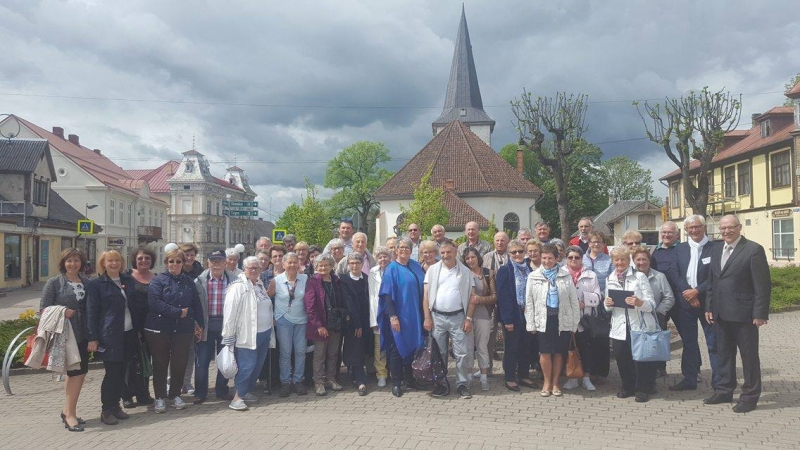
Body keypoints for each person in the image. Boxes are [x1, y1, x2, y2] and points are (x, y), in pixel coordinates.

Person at [704, 215, 770, 413]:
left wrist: (760, 313)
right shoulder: (716, 249)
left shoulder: (753, 250)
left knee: (749, 358)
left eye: (731, 228)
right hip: (720, 313)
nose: (726, 231)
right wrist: (709, 306)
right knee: (724, 355)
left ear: (739, 228)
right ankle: (724, 390)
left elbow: (762, 285)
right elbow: (712, 281)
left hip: (745, 315)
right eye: (723, 228)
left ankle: (750, 397)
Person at [145, 247, 204, 414]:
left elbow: (195, 304)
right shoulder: (158, 280)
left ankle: (175, 395)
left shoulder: (188, 281)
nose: (175, 264)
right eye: (171, 261)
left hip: (183, 329)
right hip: (160, 328)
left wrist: (199, 322)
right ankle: (159, 397)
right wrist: (177, 312)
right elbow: (154, 302)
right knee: (160, 363)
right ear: (166, 263)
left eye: (178, 261)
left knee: (180, 363)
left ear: (183, 263)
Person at [41, 248, 91, 432]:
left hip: (84, 334)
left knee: (81, 373)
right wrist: (63, 311)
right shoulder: (54, 283)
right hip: (66, 335)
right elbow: (44, 309)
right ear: (63, 263)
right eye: (69, 260)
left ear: (82, 263)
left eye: (76, 260)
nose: (73, 264)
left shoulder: (87, 282)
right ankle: (70, 415)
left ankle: (67, 411)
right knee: (74, 373)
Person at [86, 250, 137, 425]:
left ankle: (116, 406)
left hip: (128, 333)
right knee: (112, 373)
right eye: (110, 261)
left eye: (117, 260)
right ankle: (106, 410)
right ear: (103, 264)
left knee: (122, 372)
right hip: (110, 336)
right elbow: (91, 313)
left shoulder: (127, 281)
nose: (114, 264)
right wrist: (92, 338)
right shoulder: (96, 285)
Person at [671, 215, 719, 392]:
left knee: (713, 343)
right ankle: (689, 379)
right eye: (690, 228)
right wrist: (689, 294)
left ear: (704, 227)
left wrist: (697, 291)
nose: (694, 230)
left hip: (708, 304)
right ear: (686, 230)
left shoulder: (715, 248)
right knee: (689, 343)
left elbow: (716, 275)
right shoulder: (680, 249)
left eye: (697, 227)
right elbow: (674, 272)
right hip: (686, 303)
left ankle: (719, 382)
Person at [422, 240, 476, 399]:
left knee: (462, 353)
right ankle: (441, 384)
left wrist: (468, 318)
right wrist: (427, 317)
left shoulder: (465, 271)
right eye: (443, 252)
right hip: (437, 317)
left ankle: (462, 384)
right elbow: (425, 296)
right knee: (439, 353)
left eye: (449, 252)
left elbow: (472, 297)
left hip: (458, 317)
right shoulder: (432, 270)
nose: (445, 255)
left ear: (455, 252)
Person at [603, 246, 657, 403]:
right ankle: (627, 386)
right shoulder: (609, 278)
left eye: (623, 259)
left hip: (638, 324)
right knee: (622, 357)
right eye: (616, 260)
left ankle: (642, 389)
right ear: (613, 261)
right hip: (620, 326)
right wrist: (607, 303)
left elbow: (651, 304)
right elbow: (607, 307)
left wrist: (639, 302)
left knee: (640, 359)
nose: (620, 262)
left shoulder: (639, 277)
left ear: (629, 261)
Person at [525, 244, 580, 397]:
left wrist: (574, 323)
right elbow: (529, 301)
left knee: (558, 352)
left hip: (562, 319)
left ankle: (556, 382)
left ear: (557, 258)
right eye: (544, 258)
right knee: (545, 352)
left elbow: (573, 300)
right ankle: (547, 382)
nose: (547, 261)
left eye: (550, 258)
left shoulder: (565, 275)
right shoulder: (533, 276)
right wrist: (531, 323)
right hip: (543, 319)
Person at [221, 256, 273, 411]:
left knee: (257, 365)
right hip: (247, 334)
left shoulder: (259, 284)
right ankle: (237, 398)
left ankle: (245, 391)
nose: (255, 270)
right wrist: (228, 336)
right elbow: (230, 313)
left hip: (264, 333)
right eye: (251, 268)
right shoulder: (237, 287)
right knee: (247, 365)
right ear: (244, 269)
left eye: (257, 268)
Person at [377, 237, 426, 397]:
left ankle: (410, 380)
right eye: (401, 247)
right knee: (397, 349)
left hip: (415, 315)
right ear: (396, 250)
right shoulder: (392, 268)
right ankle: (396, 383)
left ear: (411, 251)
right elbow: (387, 296)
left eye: (407, 247)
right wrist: (393, 317)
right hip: (399, 315)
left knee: (413, 348)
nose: (404, 250)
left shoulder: (416, 266)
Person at [192, 249, 235, 405]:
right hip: (206, 325)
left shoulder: (234, 280)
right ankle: (200, 393)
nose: (216, 264)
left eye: (219, 261)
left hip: (226, 325)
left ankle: (222, 390)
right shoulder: (199, 281)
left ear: (226, 262)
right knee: (202, 361)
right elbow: (193, 306)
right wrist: (196, 325)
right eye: (213, 261)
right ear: (208, 263)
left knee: (225, 360)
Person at [496, 239, 538, 391]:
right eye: (514, 252)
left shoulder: (530, 270)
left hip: (528, 314)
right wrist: (507, 319)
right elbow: (503, 296)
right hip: (513, 315)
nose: (518, 254)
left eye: (520, 251)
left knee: (526, 346)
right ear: (509, 254)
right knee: (512, 347)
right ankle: (509, 377)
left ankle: (524, 375)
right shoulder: (505, 270)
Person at [632, 245, 675, 387]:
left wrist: (658, 312)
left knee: (652, 348)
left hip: (655, 317)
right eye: (638, 260)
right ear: (633, 261)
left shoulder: (659, 277)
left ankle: (655, 375)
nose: (641, 263)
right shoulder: (630, 277)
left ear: (649, 261)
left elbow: (669, 297)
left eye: (644, 259)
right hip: (635, 319)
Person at [267, 252, 309, 397]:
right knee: (285, 353)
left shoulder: (305, 279)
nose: (292, 265)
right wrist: (271, 317)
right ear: (283, 264)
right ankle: (285, 382)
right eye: (289, 262)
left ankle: (298, 381)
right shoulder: (276, 281)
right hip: (283, 321)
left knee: (300, 352)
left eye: (294, 262)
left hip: (302, 321)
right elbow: (267, 299)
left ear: (299, 264)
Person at [562, 246, 602, 392]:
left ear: (581, 259)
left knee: (586, 349)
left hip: (585, 319)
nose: (573, 260)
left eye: (576, 257)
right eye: (570, 257)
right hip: (566, 319)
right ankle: (572, 378)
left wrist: (584, 300)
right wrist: (572, 303)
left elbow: (598, 296)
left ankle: (586, 378)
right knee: (569, 348)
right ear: (566, 259)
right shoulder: (560, 274)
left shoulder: (591, 275)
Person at [304, 254, 344, 396]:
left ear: (332, 266)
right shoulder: (312, 282)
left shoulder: (336, 280)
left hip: (335, 323)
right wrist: (319, 325)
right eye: (320, 265)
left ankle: (331, 379)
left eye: (326, 265)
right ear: (316, 267)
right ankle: (319, 383)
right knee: (319, 355)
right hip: (320, 325)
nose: (323, 268)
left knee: (333, 353)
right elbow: (310, 306)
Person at [122, 246, 156, 408]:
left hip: (150, 326)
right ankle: (127, 396)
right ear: (135, 260)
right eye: (141, 258)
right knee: (129, 362)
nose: (144, 261)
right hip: (130, 326)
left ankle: (144, 393)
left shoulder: (156, 278)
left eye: (147, 258)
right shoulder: (127, 278)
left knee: (146, 361)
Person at [463, 247, 497, 391]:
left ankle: (484, 378)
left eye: (473, 257)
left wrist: (480, 299)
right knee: (468, 347)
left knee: (482, 347)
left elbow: (495, 296)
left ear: (478, 257)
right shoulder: (463, 274)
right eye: (467, 258)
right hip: (466, 317)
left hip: (483, 314)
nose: (470, 260)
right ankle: (469, 378)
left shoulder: (488, 273)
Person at [340, 252, 372, 396]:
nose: (354, 265)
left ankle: (356, 374)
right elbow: (349, 303)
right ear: (348, 265)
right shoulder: (343, 280)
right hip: (352, 322)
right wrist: (357, 324)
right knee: (356, 349)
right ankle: (360, 381)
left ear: (362, 264)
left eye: (357, 263)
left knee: (365, 348)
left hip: (367, 320)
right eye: (351, 263)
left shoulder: (366, 278)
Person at [179, 242, 203, 396]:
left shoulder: (200, 273)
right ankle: (171, 381)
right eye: (186, 255)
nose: (189, 257)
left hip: (192, 317)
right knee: (172, 354)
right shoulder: (176, 270)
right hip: (176, 316)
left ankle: (186, 382)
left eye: (192, 255)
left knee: (189, 353)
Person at [368, 247, 392, 388]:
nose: (383, 259)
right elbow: (371, 296)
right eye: (380, 257)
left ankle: (394, 372)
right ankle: (381, 374)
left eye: (386, 256)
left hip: (393, 314)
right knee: (379, 347)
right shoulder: (372, 272)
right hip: (378, 313)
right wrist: (373, 320)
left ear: (390, 257)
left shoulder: (394, 270)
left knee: (394, 345)